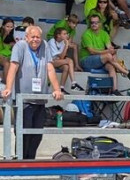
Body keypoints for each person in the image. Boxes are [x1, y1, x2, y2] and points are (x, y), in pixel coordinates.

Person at [1, 26, 64, 159]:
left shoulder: (45, 46)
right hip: (24, 101)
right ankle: (21, 160)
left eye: (38, 37)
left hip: (40, 99)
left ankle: (31, 159)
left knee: (37, 134)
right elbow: (13, 67)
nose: (35, 40)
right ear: (26, 37)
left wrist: (57, 89)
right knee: (24, 133)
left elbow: (50, 68)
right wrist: (8, 87)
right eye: (33, 37)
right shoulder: (20, 46)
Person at [80, 15, 130, 88]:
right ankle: (126, 72)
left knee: (111, 66)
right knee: (108, 55)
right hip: (86, 60)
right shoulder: (86, 34)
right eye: (92, 22)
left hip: (100, 60)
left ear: (100, 23)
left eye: (96, 23)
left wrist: (112, 51)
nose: (94, 24)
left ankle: (114, 90)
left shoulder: (104, 34)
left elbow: (110, 48)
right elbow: (92, 52)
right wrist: (107, 52)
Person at [48, 27, 83, 92]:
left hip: (58, 61)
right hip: (50, 62)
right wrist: (66, 45)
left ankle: (61, 88)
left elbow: (62, 57)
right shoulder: (52, 42)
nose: (67, 35)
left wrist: (66, 45)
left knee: (66, 67)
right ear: (58, 35)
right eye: (64, 34)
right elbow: (61, 56)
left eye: (66, 34)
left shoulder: (63, 42)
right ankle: (73, 83)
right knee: (69, 60)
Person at [0, 18, 14, 83]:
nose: (9, 28)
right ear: (3, 26)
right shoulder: (0, 35)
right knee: (7, 63)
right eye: (7, 26)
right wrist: (10, 46)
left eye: (11, 27)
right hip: (1, 55)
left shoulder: (14, 35)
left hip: (9, 56)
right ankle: (6, 83)